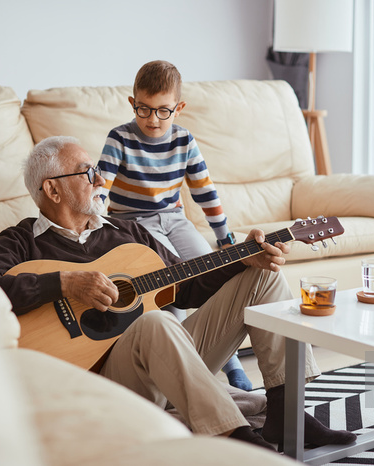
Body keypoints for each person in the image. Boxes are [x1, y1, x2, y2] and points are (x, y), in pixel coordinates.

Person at [0, 136, 357, 451]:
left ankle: (286, 413)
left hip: (170, 360)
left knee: (263, 277)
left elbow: (187, 287)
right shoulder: (21, 240)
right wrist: (63, 282)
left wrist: (243, 258)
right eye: (89, 171)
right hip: (107, 384)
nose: (100, 179)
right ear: (52, 188)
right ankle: (234, 438)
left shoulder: (127, 233)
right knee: (155, 323)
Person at [98, 60, 250, 390]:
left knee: (213, 270)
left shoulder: (184, 140)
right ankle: (183, 368)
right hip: (133, 225)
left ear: (178, 108)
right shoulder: (120, 139)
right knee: (172, 281)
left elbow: (204, 190)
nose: (153, 119)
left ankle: (231, 361)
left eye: (163, 111)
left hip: (174, 219)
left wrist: (224, 238)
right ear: (132, 103)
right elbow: (100, 189)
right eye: (144, 109)